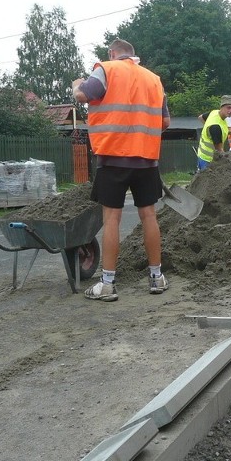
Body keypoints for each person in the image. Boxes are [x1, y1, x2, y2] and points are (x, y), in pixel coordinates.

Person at [72, 38, 170, 302]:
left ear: (112, 53)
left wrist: (76, 85)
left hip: (113, 158)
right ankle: (156, 277)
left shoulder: (106, 69)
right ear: (133, 55)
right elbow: (165, 122)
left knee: (111, 219)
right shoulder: (154, 79)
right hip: (146, 160)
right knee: (149, 216)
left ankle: (107, 284)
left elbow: (83, 95)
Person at [196, 95, 231, 171]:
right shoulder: (215, 127)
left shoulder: (214, 112)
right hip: (208, 160)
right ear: (221, 107)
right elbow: (219, 151)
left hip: (202, 155)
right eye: (228, 107)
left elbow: (201, 117)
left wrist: (207, 131)